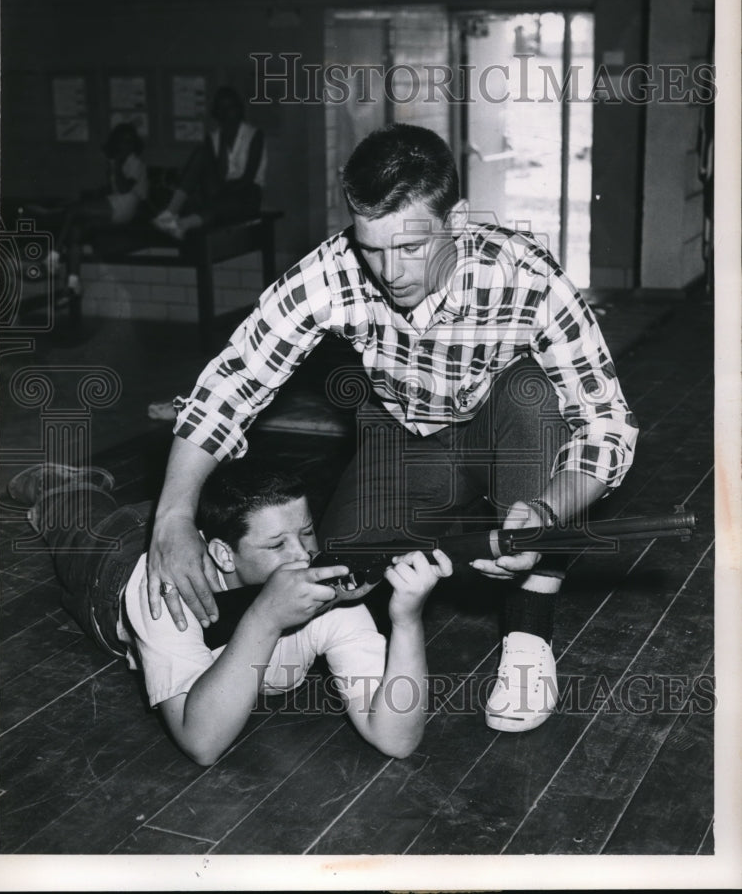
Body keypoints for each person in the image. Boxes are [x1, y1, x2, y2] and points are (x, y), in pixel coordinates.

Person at [146, 123, 639, 734]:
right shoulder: (333, 271)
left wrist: (547, 509)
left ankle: (528, 633)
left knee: (533, 392)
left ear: (455, 221)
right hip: (402, 434)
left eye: (410, 247)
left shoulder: (525, 274)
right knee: (343, 577)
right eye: (372, 248)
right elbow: (234, 381)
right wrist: (172, 516)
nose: (390, 271)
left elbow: (606, 422)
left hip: (505, 429)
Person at [7, 459, 450, 766]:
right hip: (117, 567)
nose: (303, 556)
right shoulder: (166, 594)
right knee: (70, 516)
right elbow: (202, 743)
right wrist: (266, 618)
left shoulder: (326, 593)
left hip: (202, 525)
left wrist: (407, 622)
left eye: (308, 532)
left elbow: (397, 739)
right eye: (277, 545)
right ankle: (61, 483)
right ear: (222, 554)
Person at [44, 122, 148, 298]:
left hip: (126, 206)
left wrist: (116, 166)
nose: (125, 146)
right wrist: (96, 193)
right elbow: (113, 189)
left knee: (73, 210)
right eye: (122, 141)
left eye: (129, 142)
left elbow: (124, 189)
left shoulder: (135, 163)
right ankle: (73, 283)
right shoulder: (117, 162)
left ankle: (53, 256)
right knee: (76, 231)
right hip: (117, 204)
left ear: (134, 144)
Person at [152, 85, 266, 241]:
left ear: (239, 109)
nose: (227, 112)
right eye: (222, 108)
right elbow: (218, 175)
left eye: (231, 107)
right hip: (221, 191)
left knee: (216, 204)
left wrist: (215, 196)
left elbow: (247, 179)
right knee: (201, 153)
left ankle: (183, 224)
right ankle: (170, 212)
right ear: (217, 113)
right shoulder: (214, 138)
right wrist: (223, 143)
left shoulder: (254, 135)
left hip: (246, 194)